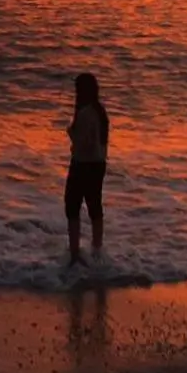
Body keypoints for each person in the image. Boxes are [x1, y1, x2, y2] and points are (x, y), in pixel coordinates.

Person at [64, 71, 109, 267]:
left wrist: (71, 134)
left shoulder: (85, 114)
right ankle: (97, 250)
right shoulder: (100, 112)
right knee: (94, 206)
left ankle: (75, 254)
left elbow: (85, 144)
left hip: (83, 163)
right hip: (99, 164)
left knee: (72, 206)